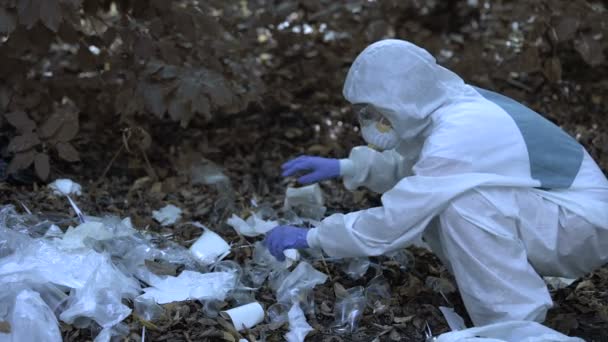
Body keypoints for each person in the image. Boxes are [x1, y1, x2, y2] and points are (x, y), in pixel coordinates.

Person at [264, 39, 608, 327]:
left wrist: (313, 236)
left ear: (399, 97)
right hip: (562, 215)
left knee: (461, 204)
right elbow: (421, 167)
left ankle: (514, 325)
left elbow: (396, 219)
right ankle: (498, 301)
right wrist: (345, 166)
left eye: (373, 110)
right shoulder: (451, 108)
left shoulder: (463, 129)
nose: (370, 121)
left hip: (580, 227)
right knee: (446, 197)